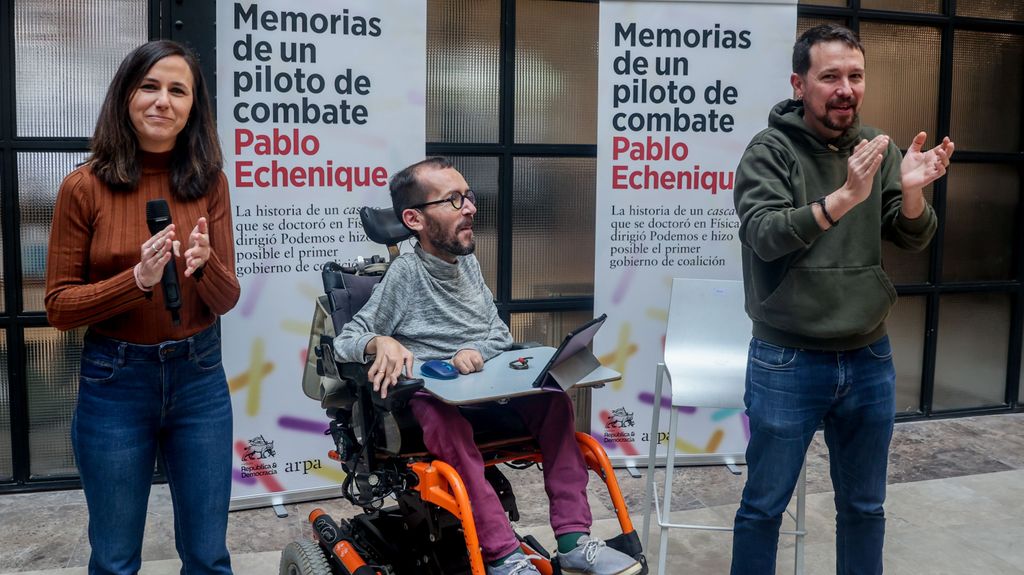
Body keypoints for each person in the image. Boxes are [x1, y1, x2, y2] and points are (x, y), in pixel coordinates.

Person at [334, 157, 641, 575]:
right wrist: (380, 340)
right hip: (436, 401)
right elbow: (345, 342)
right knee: (445, 421)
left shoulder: (468, 265)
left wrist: (475, 350)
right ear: (414, 219)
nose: (471, 208)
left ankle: (572, 540)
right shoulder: (406, 274)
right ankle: (503, 555)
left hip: (484, 392)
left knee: (554, 402)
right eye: (454, 199)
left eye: (469, 197)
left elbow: (498, 335)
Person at [730, 24, 954, 575]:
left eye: (855, 76)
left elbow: (911, 236)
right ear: (799, 84)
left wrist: (913, 193)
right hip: (787, 360)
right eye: (830, 76)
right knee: (764, 508)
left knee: (864, 507)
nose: (845, 89)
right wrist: (843, 198)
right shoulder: (770, 150)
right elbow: (763, 233)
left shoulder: (876, 146)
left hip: (868, 357)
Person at [45, 40, 240, 575]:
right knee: (113, 558)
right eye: (149, 86)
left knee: (207, 555)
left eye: (178, 90)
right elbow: (59, 306)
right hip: (115, 380)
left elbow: (227, 299)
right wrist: (135, 280)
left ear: (193, 108)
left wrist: (205, 267)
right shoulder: (82, 187)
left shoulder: (209, 183)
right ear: (125, 97)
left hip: (199, 377)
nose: (162, 101)